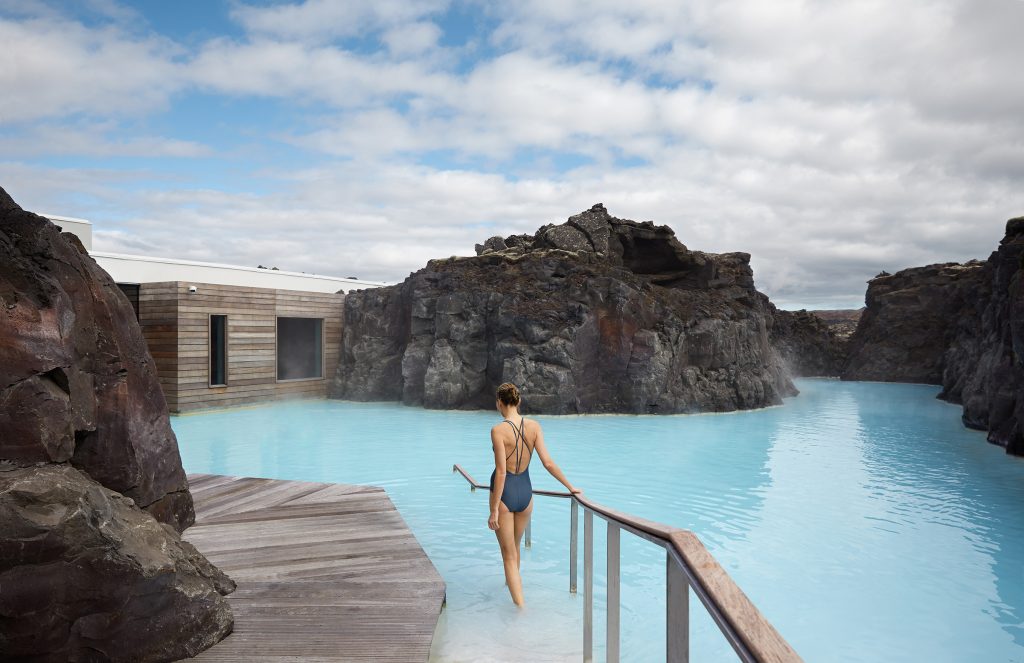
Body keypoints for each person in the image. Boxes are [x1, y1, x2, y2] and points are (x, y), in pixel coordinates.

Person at [488, 382, 580, 607]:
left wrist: (493, 511)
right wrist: (571, 487)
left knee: (508, 555)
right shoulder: (534, 426)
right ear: (518, 401)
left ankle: (520, 611)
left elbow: (501, 472)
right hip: (526, 494)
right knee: (515, 548)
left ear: (500, 403)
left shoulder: (498, 430)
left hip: (505, 495)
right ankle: (514, 588)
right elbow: (548, 463)